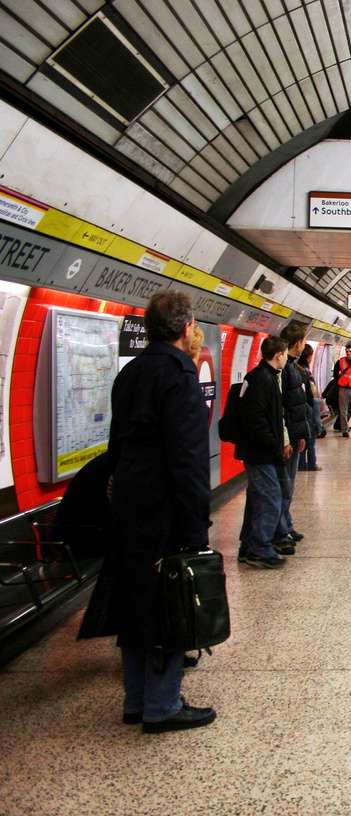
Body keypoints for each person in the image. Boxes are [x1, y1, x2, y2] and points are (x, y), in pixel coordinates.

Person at [77, 291, 215, 733]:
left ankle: (136, 701)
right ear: (184, 327)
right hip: (164, 505)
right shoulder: (180, 377)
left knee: (135, 600)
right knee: (167, 603)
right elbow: (188, 459)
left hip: (129, 502)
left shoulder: (130, 373)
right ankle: (162, 705)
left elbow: (115, 445)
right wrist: (196, 527)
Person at [235, 335, 291, 569]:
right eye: (285, 354)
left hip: (261, 450)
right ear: (278, 355)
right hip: (260, 452)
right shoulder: (263, 380)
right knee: (270, 497)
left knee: (258, 497)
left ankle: (249, 545)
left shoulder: (263, 377)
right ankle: (260, 547)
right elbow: (256, 420)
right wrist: (274, 444)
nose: (286, 358)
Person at [275, 325, 311, 548]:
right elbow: (286, 407)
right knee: (285, 485)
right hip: (289, 435)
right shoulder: (286, 370)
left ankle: (286, 526)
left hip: (294, 433)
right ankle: (281, 531)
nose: (305, 345)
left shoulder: (290, 367)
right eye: (304, 341)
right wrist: (289, 437)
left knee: (288, 484)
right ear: (297, 343)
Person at [297, 344, 323, 471]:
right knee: (311, 441)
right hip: (309, 410)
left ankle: (301, 464)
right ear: (308, 357)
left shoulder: (295, 370)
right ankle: (312, 464)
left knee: (302, 439)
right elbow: (314, 396)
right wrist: (319, 424)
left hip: (299, 410)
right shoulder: (307, 373)